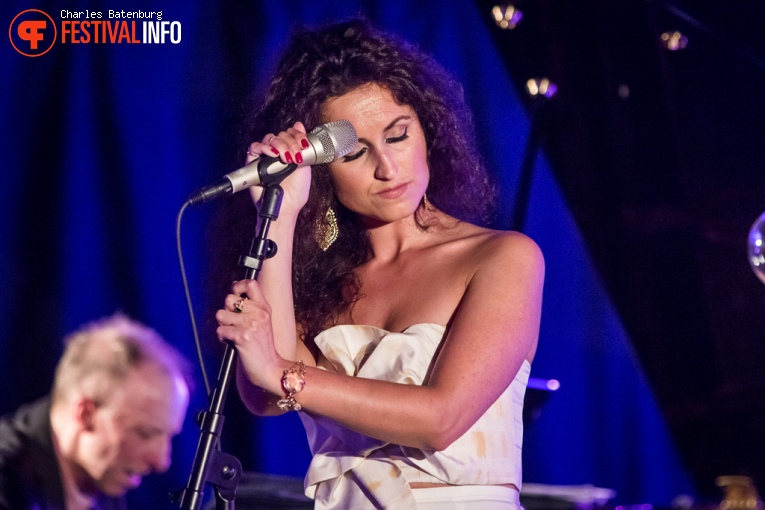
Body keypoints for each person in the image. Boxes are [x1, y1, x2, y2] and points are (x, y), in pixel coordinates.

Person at [213, 18, 544, 509]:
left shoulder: (502, 257)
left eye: (397, 135)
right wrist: (280, 214)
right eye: (356, 154)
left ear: (427, 129)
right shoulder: (324, 282)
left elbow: (439, 420)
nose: (388, 169)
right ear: (322, 171)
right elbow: (263, 398)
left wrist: (287, 375)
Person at [0, 314, 191, 510]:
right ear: (86, 415)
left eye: (169, 436)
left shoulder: (105, 481)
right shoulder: (7, 478)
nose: (161, 462)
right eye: (145, 434)